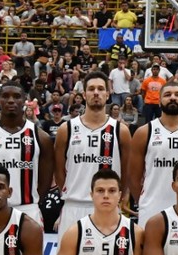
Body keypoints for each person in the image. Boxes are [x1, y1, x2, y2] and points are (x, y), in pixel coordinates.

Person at [0, 83, 54, 226]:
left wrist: (31, 203)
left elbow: (45, 182)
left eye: (17, 96)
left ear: (25, 100)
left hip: (28, 210)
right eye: (5, 96)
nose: (11, 100)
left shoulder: (41, 137)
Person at [128, 81, 178, 227]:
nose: (173, 98)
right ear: (159, 101)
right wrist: (146, 201)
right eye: (167, 94)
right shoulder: (144, 132)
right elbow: (133, 178)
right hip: (152, 209)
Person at [55, 72, 131, 229]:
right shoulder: (66, 129)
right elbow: (59, 170)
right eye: (91, 89)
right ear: (84, 94)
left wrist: (119, 195)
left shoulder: (120, 130)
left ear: (107, 94)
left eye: (100, 89)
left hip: (108, 206)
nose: (96, 92)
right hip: (73, 205)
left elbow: (127, 170)